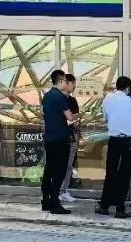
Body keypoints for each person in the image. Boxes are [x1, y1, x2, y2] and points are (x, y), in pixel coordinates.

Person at [96, 76, 131, 219]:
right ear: (128, 88)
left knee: (110, 172)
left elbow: (105, 118)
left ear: (117, 86)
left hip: (113, 140)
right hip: (129, 141)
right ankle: (120, 208)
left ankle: (104, 205)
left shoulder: (108, 101)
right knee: (124, 174)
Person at [40, 69, 76, 214]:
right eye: (66, 81)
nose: (67, 83)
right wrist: (78, 115)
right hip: (61, 138)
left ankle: (46, 200)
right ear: (61, 81)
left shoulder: (47, 96)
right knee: (59, 172)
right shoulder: (60, 97)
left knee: (49, 170)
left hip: (49, 138)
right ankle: (55, 203)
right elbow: (70, 117)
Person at [58, 74, 81, 203]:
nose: (75, 87)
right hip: (58, 136)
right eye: (73, 84)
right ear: (66, 83)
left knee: (68, 165)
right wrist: (73, 116)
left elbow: (75, 118)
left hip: (70, 136)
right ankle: (55, 190)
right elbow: (72, 116)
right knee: (57, 164)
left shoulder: (72, 101)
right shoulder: (56, 98)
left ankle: (63, 190)